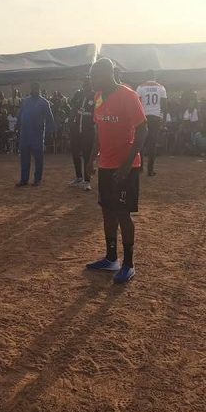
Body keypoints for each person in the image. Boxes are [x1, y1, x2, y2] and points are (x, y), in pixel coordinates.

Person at [86, 58, 148, 284]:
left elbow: (143, 131)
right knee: (107, 211)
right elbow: (98, 130)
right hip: (106, 165)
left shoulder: (128, 96)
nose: (91, 81)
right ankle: (111, 257)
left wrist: (127, 164)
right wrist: (92, 158)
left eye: (94, 76)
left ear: (106, 74)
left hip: (126, 168)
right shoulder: (99, 96)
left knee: (123, 213)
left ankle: (129, 263)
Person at [15, 82, 55, 186]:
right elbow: (20, 114)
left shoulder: (44, 102)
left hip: (37, 135)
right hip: (25, 134)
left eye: (36, 88)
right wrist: (17, 125)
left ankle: (37, 179)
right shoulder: (25, 101)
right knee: (24, 158)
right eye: (33, 88)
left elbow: (50, 118)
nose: (34, 90)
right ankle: (24, 179)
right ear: (31, 89)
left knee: (38, 159)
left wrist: (50, 133)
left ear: (39, 89)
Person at [135, 72, 166, 176]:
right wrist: (163, 119)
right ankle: (150, 170)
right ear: (155, 77)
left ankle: (139, 167)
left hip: (143, 117)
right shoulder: (161, 87)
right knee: (152, 144)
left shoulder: (140, 87)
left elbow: (137, 103)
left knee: (141, 143)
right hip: (156, 117)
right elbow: (164, 105)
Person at [68, 77, 96, 190]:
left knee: (87, 155)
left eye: (88, 83)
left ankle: (87, 181)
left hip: (88, 131)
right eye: (84, 83)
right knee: (75, 153)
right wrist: (70, 121)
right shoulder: (78, 94)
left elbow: (98, 110)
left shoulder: (95, 96)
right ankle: (79, 177)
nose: (85, 86)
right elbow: (73, 107)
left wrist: (88, 114)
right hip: (75, 129)